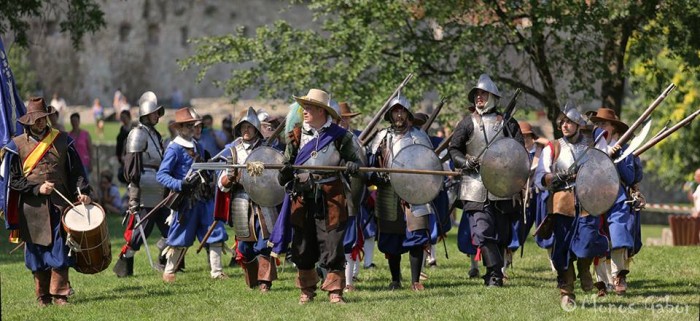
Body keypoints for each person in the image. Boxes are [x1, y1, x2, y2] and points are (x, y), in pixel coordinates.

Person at [272, 88, 363, 304]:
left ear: (322, 111)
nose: (305, 111)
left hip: (331, 196)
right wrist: (284, 171)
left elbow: (358, 162)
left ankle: (335, 291)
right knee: (302, 246)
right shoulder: (295, 135)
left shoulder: (340, 136)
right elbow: (285, 167)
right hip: (302, 196)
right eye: (304, 107)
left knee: (332, 244)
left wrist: (353, 165)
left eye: (310, 107)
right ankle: (306, 289)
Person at [1, 97, 92, 306]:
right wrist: (36, 188)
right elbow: (13, 181)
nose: (39, 122)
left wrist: (83, 191)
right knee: (36, 251)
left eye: (42, 118)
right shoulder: (16, 146)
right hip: (31, 207)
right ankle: (43, 296)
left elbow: (76, 172)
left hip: (60, 205)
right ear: (28, 121)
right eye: (35, 119)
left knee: (60, 247)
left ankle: (60, 293)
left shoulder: (63, 140)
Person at [448, 74, 524, 287]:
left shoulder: (507, 123)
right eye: (477, 94)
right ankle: (494, 272)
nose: (479, 97)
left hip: (502, 186)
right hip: (475, 185)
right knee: (481, 232)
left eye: (483, 93)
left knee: (500, 234)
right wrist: (465, 161)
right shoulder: (467, 123)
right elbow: (454, 149)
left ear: (493, 96)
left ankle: (494, 275)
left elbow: (519, 152)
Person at [534, 102, 609, 307]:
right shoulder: (553, 147)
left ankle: (584, 268)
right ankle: (567, 290)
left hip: (587, 203)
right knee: (563, 249)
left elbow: (603, 173)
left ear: (577, 125)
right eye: (563, 122)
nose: (565, 125)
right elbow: (540, 175)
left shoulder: (590, 148)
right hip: (561, 204)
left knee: (588, 240)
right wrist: (555, 177)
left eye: (569, 122)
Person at [367, 96, 434, 291]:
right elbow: (370, 163)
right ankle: (395, 280)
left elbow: (429, 162)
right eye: (395, 111)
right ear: (390, 114)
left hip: (414, 192)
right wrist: (375, 176)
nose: (399, 114)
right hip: (388, 191)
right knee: (391, 237)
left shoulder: (418, 136)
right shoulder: (382, 137)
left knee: (417, 234)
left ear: (408, 113)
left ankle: (415, 281)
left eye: (402, 111)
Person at [158, 107, 228, 282]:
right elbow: (162, 175)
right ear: (180, 128)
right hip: (186, 201)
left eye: (195, 125)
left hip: (204, 198)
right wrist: (180, 184)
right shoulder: (174, 148)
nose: (195, 129)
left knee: (215, 231)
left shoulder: (198, 145)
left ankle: (217, 272)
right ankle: (169, 271)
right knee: (179, 237)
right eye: (190, 126)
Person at [217, 107, 279, 291]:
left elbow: (277, 177)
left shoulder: (266, 149)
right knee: (245, 247)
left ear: (256, 129)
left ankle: (265, 283)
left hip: (264, 202)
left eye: (249, 127)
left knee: (264, 243)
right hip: (241, 201)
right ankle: (253, 280)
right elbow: (222, 184)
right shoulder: (233, 152)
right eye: (243, 127)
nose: (246, 130)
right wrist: (231, 176)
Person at [113, 91, 170, 277]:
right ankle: (124, 263)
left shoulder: (154, 134)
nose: (157, 116)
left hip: (160, 185)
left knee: (171, 229)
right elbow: (132, 167)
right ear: (145, 115)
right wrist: (134, 195)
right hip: (145, 188)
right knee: (140, 233)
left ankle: (164, 259)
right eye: (154, 113)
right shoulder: (137, 134)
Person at [589, 107, 644, 295]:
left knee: (619, 234)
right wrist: (604, 156)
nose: (600, 127)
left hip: (619, 197)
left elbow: (630, 178)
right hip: (595, 196)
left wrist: (617, 158)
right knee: (598, 236)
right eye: (597, 124)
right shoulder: (591, 146)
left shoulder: (626, 150)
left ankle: (619, 275)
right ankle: (602, 282)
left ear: (614, 128)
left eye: (604, 123)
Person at [503, 121, 551, 277]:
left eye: (526, 136)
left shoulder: (541, 152)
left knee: (546, 230)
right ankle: (504, 264)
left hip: (538, 196)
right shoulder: (514, 154)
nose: (523, 139)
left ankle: (555, 266)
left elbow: (550, 143)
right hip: (519, 197)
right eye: (520, 136)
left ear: (532, 137)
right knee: (516, 232)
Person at [68, 113, 93, 177]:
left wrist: (91, 162)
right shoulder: (68, 135)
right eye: (73, 121)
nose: (74, 123)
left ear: (79, 121)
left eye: (75, 121)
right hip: (73, 163)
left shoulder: (85, 134)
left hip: (84, 162)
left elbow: (90, 149)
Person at [115, 110, 133, 184]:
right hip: (122, 158)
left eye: (124, 117)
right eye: (121, 117)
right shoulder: (122, 128)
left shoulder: (132, 129)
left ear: (129, 117)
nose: (123, 119)